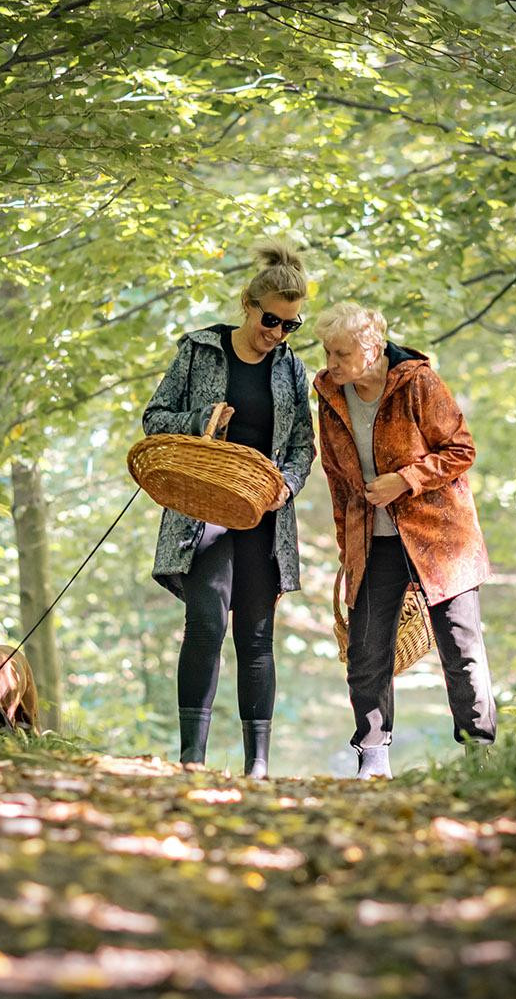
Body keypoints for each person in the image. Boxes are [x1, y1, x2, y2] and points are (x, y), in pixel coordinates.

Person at [141, 240, 316, 777]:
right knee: (206, 624)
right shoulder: (198, 350)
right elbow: (155, 417)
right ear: (247, 304)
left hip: (264, 518)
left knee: (257, 637)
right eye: (271, 320)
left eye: (291, 324)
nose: (277, 333)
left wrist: (286, 485)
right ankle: (192, 757)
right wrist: (200, 420)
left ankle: (257, 766)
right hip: (201, 513)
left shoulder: (292, 371)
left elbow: (303, 447)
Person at [311, 302, 497, 779]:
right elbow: (336, 477)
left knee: (461, 648)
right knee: (367, 652)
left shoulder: (418, 383)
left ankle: (480, 755)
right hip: (372, 542)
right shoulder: (329, 394)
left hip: (440, 537)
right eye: (328, 351)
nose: (330, 363)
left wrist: (405, 479)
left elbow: (461, 449)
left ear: (371, 348)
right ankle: (372, 760)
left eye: (341, 353)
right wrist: (346, 546)